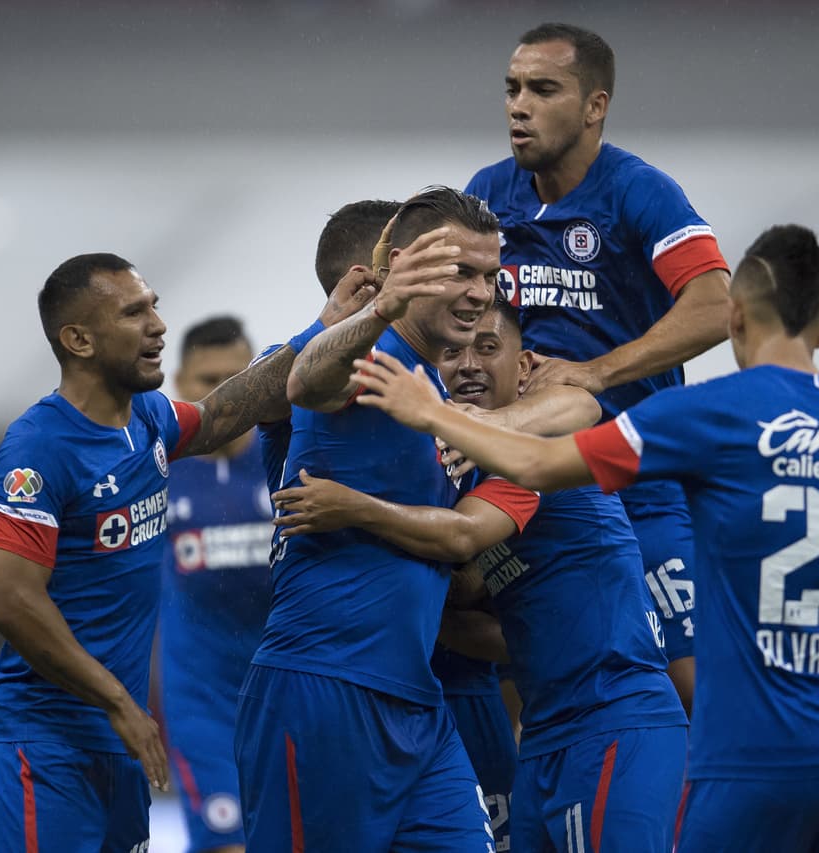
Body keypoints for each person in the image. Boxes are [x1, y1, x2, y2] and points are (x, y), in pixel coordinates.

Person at [351, 225, 819, 852]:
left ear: (735, 320)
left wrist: (433, 413)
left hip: (748, 750)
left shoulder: (712, 414)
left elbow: (544, 462)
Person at [0, 251, 374, 852]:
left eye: (154, 306)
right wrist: (118, 703)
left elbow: (224, 413)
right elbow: (10, 600)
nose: (158, 324)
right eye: (134, 312)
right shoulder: (37, 450)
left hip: (123, 746)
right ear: (78, 338)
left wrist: (323, 329)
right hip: (43, 745)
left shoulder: (149, 421)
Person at [272, 297, 689, 852]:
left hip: (615, 716)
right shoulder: (456, 471)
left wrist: (354, 507)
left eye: (488, 348)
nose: (468, 363)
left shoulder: (537, 440)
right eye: (453, 351)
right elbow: (478, 614)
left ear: (525, 366)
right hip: (545, 730)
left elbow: (581, 404)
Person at [465, 22, 734, 714]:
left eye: (543, 89)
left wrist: (597, 371)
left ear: (595, 106)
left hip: (635, 480)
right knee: (518, 676)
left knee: (691, 687)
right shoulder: (486, 196)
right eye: (512, 88)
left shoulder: (638, 192)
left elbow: (713, 307)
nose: (518, 105)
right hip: (525, 478)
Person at [235, 187, 503, 852]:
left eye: (489, 275)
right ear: (405, 266)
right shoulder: (372, 352)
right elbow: (306, 383)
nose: (479, 292)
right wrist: (383, 306)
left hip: (417, 700)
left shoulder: (431, 388)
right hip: (323, 691)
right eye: (460, 272)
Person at [159, 315, 274, 853]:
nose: (227, 395)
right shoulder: (156, 472)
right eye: (210, 381)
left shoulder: (290, 458)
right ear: (181, 384)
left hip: (292, 696)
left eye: (238, 376)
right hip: (203, 705)